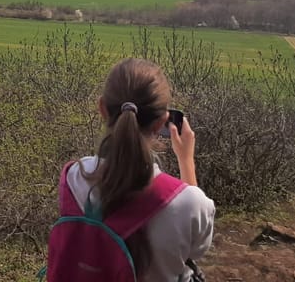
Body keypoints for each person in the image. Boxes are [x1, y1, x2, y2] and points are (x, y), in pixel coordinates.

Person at [65, 58, 215, 282]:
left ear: (102, 109)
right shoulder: (190, 202)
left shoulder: (74, 176)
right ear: (162, 121)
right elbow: (196, 251)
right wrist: (186, 161)